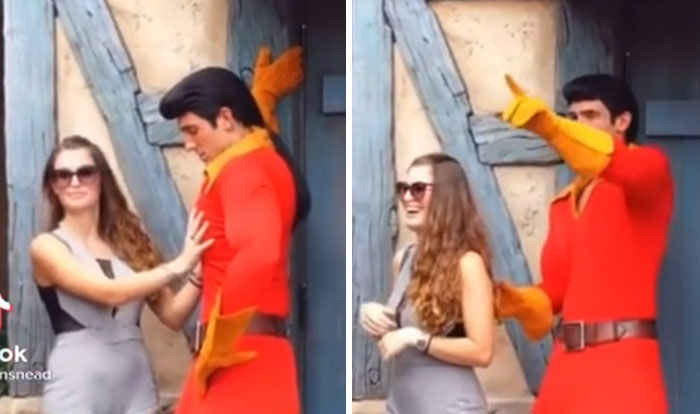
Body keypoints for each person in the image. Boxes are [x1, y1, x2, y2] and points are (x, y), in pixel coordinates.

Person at [497, 74, 673, 413]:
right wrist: (518, 302)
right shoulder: (563, 203)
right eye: (573, 117)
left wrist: (551, 127)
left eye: (591, 115)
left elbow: (611, 160)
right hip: (566, 368)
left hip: (624, 366)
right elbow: (559, 289)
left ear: (622, 121)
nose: (578, 124)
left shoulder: (649, 168)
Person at [158, 47, 309, 413]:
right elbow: (258, 140)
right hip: (253, 356)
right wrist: (262, 99)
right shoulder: (261, 159)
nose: (188, 144)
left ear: (225, 117)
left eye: (193, 130)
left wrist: (218, 345)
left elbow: (259, 251)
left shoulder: (242, 171)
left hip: (239, 361)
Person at [30, 135, 213, 414]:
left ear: (101, 179)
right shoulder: (46, 246)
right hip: (77, 384)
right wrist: (178, 265)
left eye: (85, 172)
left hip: (136, 384)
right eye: (63, 175)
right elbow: (109, 294)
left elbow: (174, 315)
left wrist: (200, 269)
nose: (74, 182)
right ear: (53, 186)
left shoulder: (131, 243)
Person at [360, 153, 495, 414]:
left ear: (446, 196)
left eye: (418, 189)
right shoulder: (403, 260)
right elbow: (397, 342)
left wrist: (418, 339)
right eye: (403, 188)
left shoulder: (468, 264)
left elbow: (482, 351)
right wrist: (375, 319)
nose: (407, 197)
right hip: (401, 405)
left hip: (451, 407)